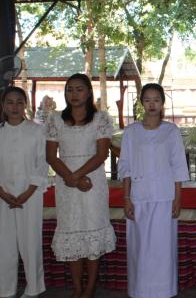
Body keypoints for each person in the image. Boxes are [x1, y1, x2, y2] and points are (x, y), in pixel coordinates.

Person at [46, 73, 116, 298]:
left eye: (79, 89)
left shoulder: (100, 118)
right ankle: (77, 288)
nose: (74, 94)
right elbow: (51, 156)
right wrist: (71, 179)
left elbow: (101, 154)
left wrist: (76, 177)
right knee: (71, 234)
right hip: (66, 184)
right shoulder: (55, 119)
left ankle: (89, 288)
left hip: (92, 181)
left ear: (88, 92)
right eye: (70, 89)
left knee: (92, 233)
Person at [118, 83, 189, 298]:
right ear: (141, 103)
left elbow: (178, 166)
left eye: (156, 99)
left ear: (162, 103)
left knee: (162, 250)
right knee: (140, 250)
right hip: (139, 197)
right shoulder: (131, 132)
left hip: (165, 197)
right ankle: (140, 291)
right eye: (147, 99)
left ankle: (163, 291)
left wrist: (178, 198)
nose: (152, 104)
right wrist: (126, 198)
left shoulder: (171, 131)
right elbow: (126, 166)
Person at [0, 87, 48, 298]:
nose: (15, 107)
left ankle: (34, 287)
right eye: (9, 102)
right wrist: (2, 193)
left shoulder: (36, 131)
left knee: (31, 243)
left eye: (19, 102)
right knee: (4, 244)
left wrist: (28, 192)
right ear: (3, 106)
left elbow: (42, 162)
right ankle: (6, 289)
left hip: (31, 195)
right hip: (2, 196)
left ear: (25, 104)